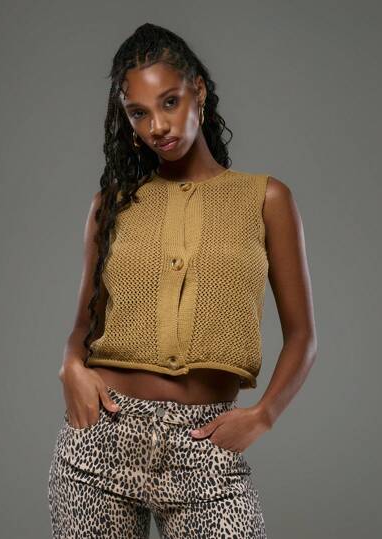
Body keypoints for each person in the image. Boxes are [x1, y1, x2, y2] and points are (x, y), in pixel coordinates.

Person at [47, 22, 317, 539]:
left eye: (169, 102)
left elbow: (303, 335)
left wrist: (263, 415)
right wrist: (70, 367)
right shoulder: (111, 205)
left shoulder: (266, 199)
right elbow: (83, 323)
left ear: (199, 90)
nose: (157, 126)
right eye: (139, 112)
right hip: (100, 443)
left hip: (204, 447)